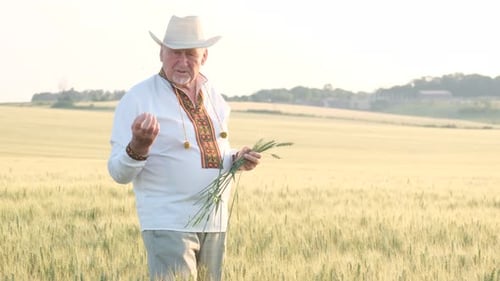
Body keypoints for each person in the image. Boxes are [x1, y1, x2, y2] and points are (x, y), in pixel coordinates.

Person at [107, 15, 261, 281]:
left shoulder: (214, 97)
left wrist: (236, 159)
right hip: (169, 222)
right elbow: (118, 173)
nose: (182, 61)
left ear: (204, 57)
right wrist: (138, 146)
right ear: (161, 54)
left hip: (214, 222)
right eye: (175, 53)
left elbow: (211, 154)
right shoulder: (139, 97)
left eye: (190, 54)